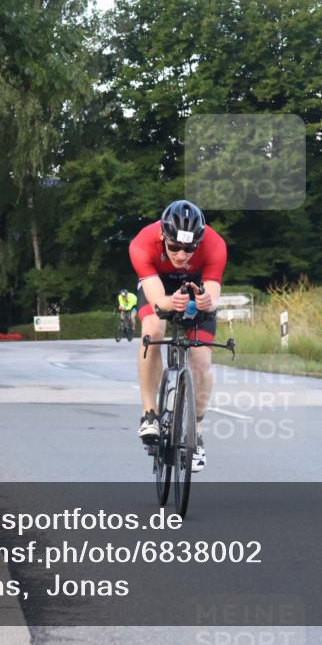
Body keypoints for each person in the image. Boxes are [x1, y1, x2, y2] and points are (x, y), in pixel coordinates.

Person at [129, 199, 227, 473]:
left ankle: (195, 432)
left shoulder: (215, 244)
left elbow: (213, 296)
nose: (182, 255)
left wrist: (206, 301)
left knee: (201, 359)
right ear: (163, 236)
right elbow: (158, 302)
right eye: (174, 247)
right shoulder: (142, 243)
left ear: (200, 241)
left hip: (196, 286)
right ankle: (150, 414)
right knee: (153, 330)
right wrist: (172, 303)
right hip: (159, 286)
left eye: (189, 248)